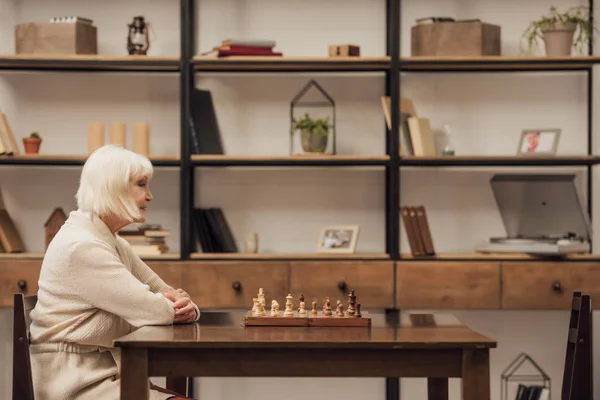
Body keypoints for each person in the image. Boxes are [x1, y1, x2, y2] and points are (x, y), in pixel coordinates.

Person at [29, 145, 198, 400]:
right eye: (141, 184)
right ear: (112, 187)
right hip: (75, 383)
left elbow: (163, 294)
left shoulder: (114, 242)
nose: (150, 196)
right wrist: (171, 308)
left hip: (112, 374)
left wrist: (187, 307)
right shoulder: (81, 246)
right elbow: (153, 308)